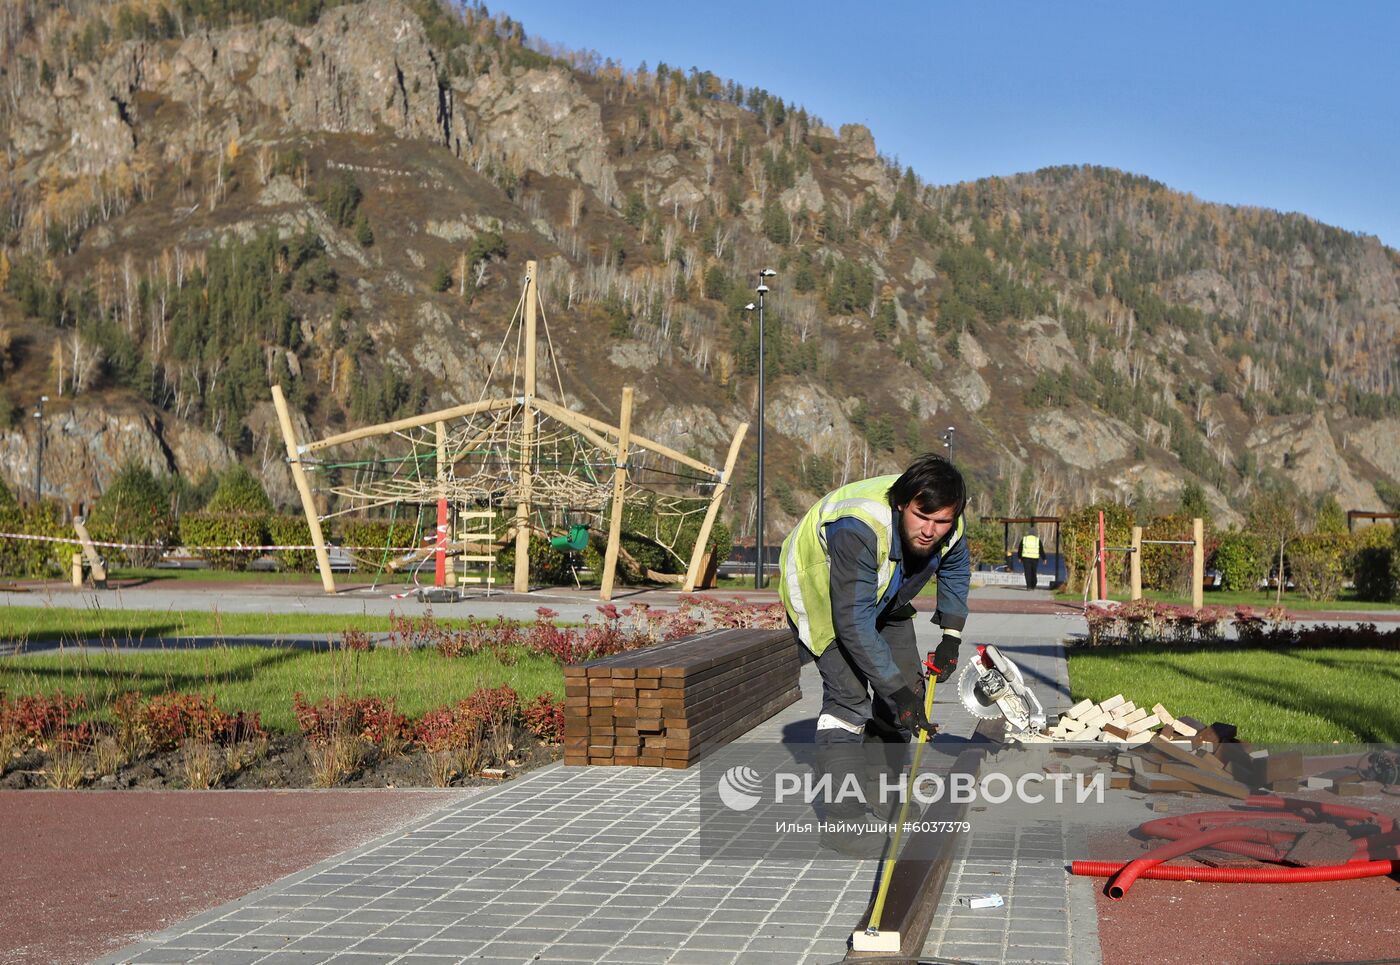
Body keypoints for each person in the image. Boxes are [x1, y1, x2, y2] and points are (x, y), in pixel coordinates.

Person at [778, 454, 970, 850]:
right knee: (849, 700)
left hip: (885, 592)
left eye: (942, 522)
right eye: (922, 517)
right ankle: (841, 817)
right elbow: (852, 621)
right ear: (902, 503)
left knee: (906, 694)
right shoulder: (859, 526)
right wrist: (892, 689)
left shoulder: (951, 525)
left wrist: (951, 636)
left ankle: (882, 793)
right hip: (823, 593)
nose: (931, 531)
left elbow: (954, 569)